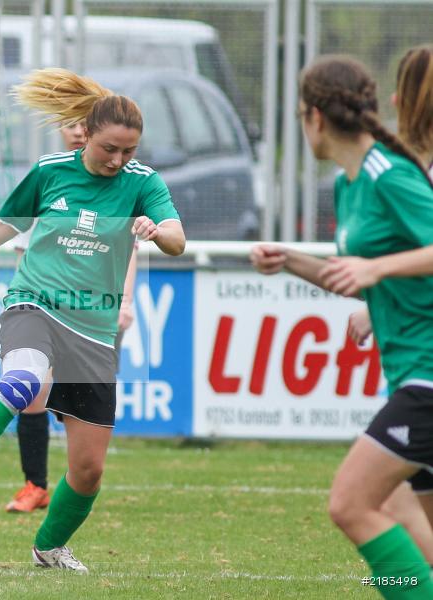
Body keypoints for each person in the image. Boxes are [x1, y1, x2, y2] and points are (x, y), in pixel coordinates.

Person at [0, 67, 184, 572]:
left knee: (88, 470)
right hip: (34, 304)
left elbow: (176, 236)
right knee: (24, 380)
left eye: (129, 152)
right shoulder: (50, 170)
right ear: (87, 134)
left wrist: (157, 231)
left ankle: (49, 547)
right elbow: (0, 225)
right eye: (109, 150)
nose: (118, 160)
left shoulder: (143, 183)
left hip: (94, 331)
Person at [251, 55, 433, 598]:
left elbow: (381, 265)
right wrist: (289, 261)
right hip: (408, 372)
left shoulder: (389, 174)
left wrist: (376, 268)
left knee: (353, 503)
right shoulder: (348, 184)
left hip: (428, 375)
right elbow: (349, 276)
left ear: (313, 117)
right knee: (409, 519)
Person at [6, 123, 140, 514]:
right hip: (47, 310)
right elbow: (23, 248)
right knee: (32, 392)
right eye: (72, 125)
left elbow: (128, 248)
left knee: (76, 411)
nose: (78, 132)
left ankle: (76, 485)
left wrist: (124, 301)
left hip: (97, 314)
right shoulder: (49, 177)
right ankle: (34, 486)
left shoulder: (119, 183)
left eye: (86, 125)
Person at [345, 44, 433, 564]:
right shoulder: (406, 168)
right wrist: (373, 302)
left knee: (369, 497)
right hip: (412, 357)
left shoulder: (401, 173)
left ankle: (406, 584)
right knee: (409, 502)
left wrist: (375, 274)